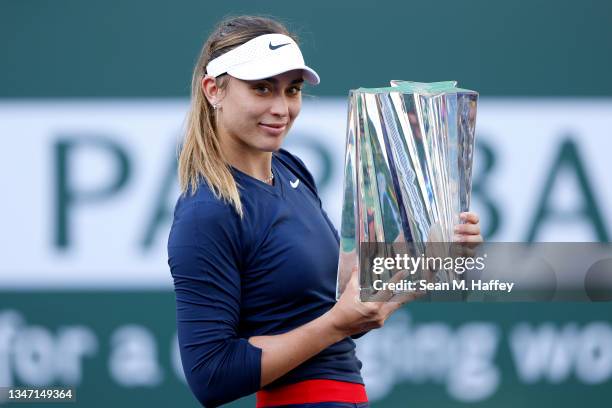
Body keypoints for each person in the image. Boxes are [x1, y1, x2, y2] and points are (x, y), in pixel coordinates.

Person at [167, 15, 483, 408]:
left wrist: (427, 251)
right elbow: (210, 375)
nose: (281, 108)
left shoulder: (291, 169)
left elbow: (348, 304)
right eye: (262, 89)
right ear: (214, 90)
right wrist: (336, 324)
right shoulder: (206, 212)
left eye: (292, 90)